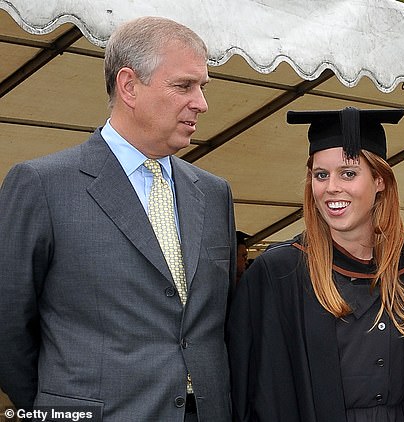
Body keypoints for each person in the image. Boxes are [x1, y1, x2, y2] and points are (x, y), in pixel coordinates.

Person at [0, 16, 235, 422]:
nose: (201, 103)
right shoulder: (42, 185)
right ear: (129, 86)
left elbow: (219, 320)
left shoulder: (214, 193)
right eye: (184, 85)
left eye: (202, 87)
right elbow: (7, 328)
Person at [228, 107, 404, 422]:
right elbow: (255, 391)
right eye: (321, 175)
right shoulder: (281, 273)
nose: (331, 187)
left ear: (379, 180)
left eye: (348, 173)